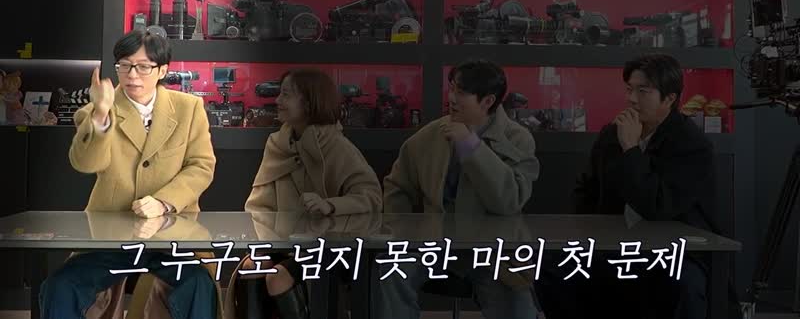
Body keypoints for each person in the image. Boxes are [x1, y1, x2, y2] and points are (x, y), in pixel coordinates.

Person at [39, 29, 219, 319]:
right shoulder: (95, 111)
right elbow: (85, 163)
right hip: (109, 237)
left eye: (143, 66)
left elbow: (201, 166)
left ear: (162, 70)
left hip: (172, 235)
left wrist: (163, 202)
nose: (132, 74)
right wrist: (101, 114)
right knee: (61, 286)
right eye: (125, 65)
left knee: (198, 283)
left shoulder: (189, 108)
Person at [536, 53, 723, 319]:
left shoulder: (691, 144)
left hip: (672, 251)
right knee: (552, 268)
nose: (632, 99)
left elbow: (657, 207)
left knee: (683, 286)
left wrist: (631, 149)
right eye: (629, 89)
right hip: (615, 245)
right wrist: (588, 237)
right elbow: (585, 191)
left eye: (643, 91)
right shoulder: (611, 135)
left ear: (669, 98)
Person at [377, 59, 541, 319]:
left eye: (461, 92)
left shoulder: (517, 138)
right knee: (389, 272)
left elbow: (509, 201)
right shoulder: (429, 136)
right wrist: (402, 235)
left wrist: (470, 145)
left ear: (488, 101)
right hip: (431, 246)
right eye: (452, 88)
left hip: (492, 251)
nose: (451, 98)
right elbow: (397, 188)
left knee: (516, 301)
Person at [223, 68, 383, 319]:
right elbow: (258, 205)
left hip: (329, 247)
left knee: (279, 278)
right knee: (252, 266)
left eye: (286, 95)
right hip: (281, 243)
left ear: (309, 102)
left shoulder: (336, 146)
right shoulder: (277, 144)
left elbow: (372, 197)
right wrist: (266, 243)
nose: (278, 100)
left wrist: (331, 205)